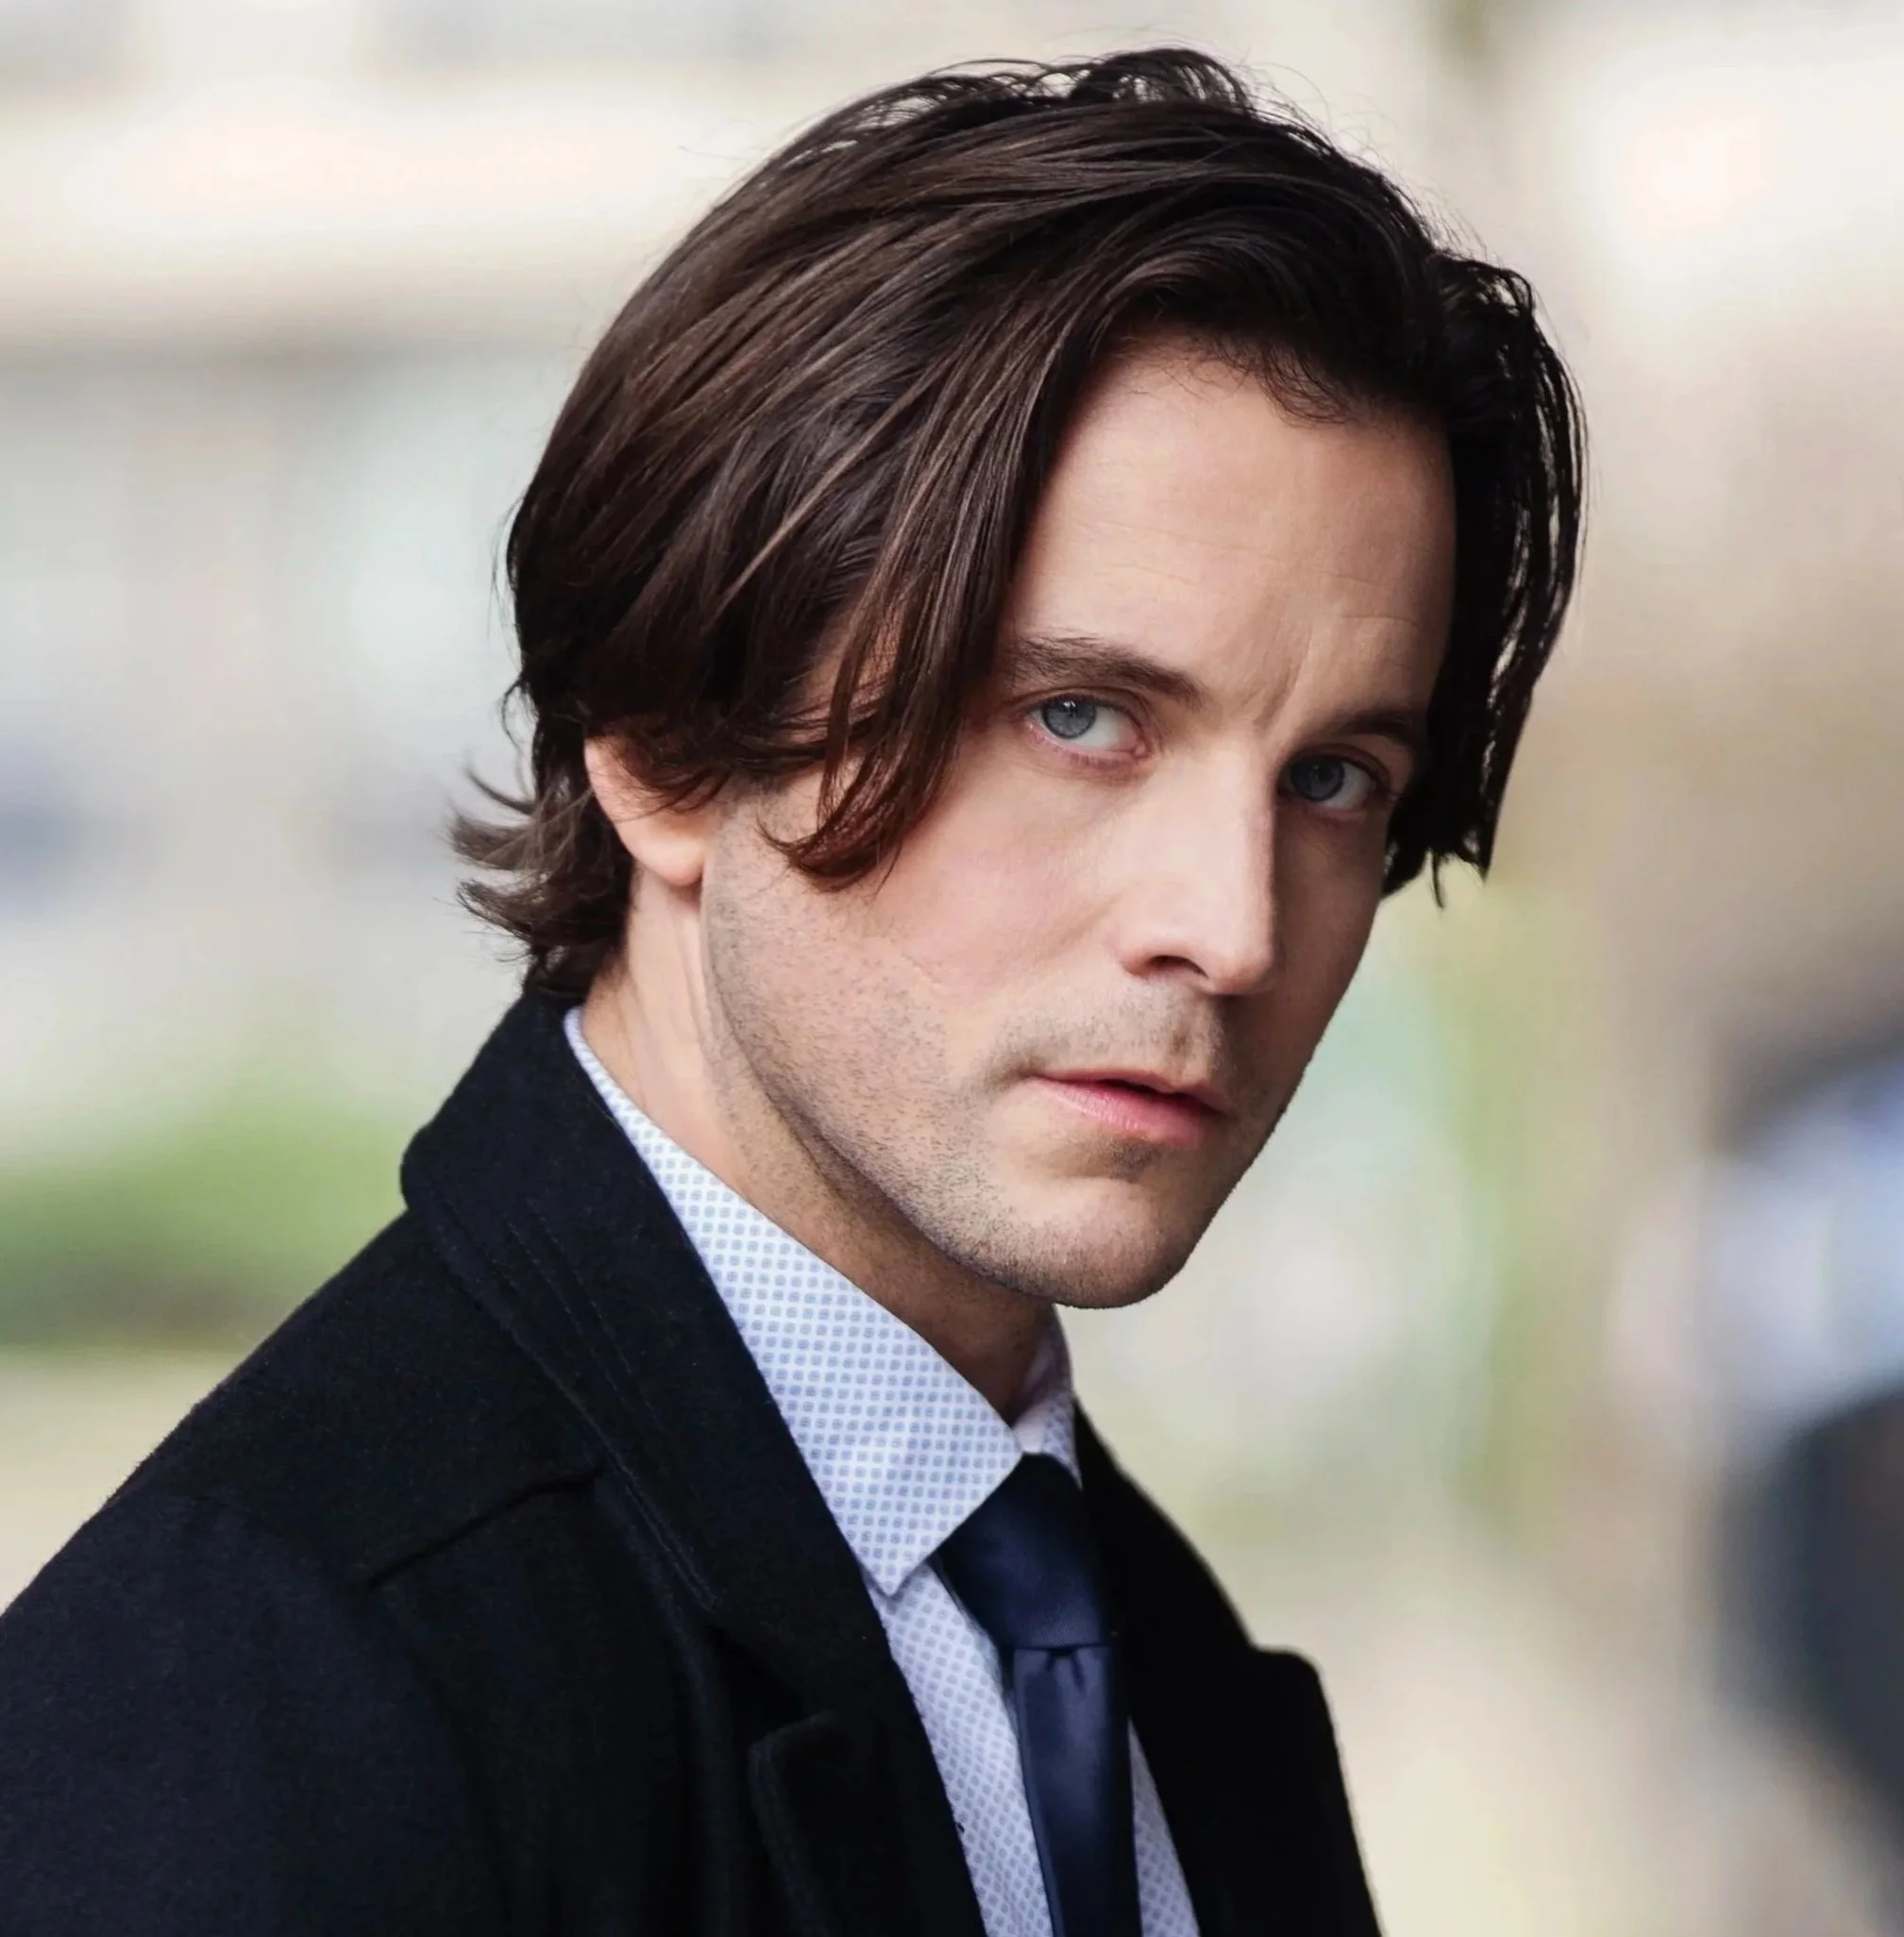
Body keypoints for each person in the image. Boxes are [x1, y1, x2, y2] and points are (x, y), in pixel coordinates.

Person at [0, 49, 1581, 1937]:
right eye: (1078, 717)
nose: (1232, 929)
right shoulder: (253, 1696)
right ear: (667, 745)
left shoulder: (1159, 1665)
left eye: (1333, 778)